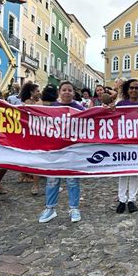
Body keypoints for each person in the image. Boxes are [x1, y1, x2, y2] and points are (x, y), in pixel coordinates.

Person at [38, 81, 84, 223]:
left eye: (70, 90)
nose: (67, 92)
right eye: (64, 90)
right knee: (52, 180)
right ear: (59, 92)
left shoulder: (80, 109)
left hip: (72, 150)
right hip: (54, 150)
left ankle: (74, 208)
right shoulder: (51, 108)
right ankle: (50, 209)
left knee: (72, 181)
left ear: (74, 93)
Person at [114, 79, 138, 213]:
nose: (134, 90)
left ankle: (131, 200)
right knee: (123, 172)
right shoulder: (121, 104)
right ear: (127, 90)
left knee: (135, 172)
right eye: (131, 88)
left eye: (136, 88)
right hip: (124, 142)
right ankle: (122, 200)